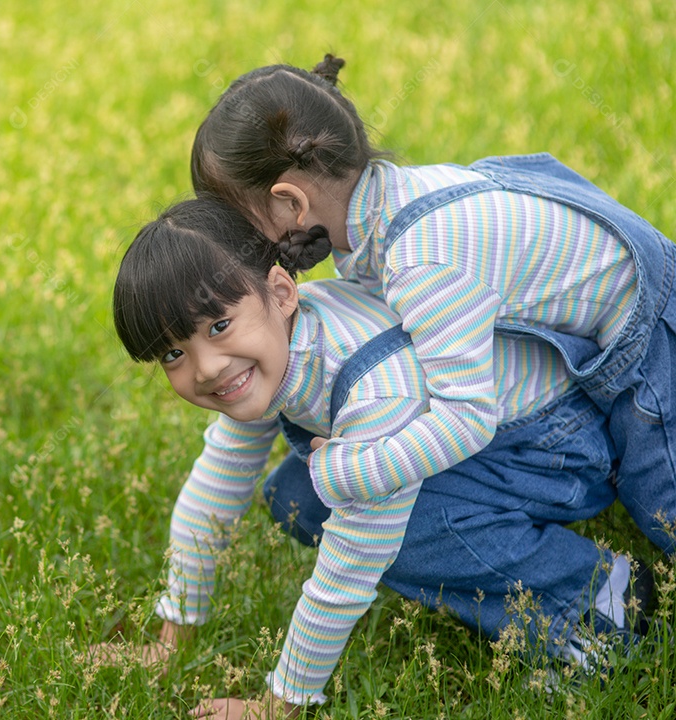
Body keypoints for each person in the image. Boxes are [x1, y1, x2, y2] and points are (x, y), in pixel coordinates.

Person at [105, 196, 645, 718]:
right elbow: (217, 483)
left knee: (395, 533)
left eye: (219, 326)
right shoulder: (274, 345)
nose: (205, 367)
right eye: (174, 353)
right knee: (297, 496)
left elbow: (352, 563)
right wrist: (174, 633)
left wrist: (281, 703)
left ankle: (598, 596)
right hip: (482, 441)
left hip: (554, 447)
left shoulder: (370, 385)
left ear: (281, 292)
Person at [189, 55, 676, 568]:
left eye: (239, 225)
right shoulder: (384, 209)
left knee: (663, 507)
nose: (238, 249)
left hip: (646, 335)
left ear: (292, 203)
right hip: (592, 341)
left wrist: (356, 473)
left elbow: (467, 417)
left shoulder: (421, 259)